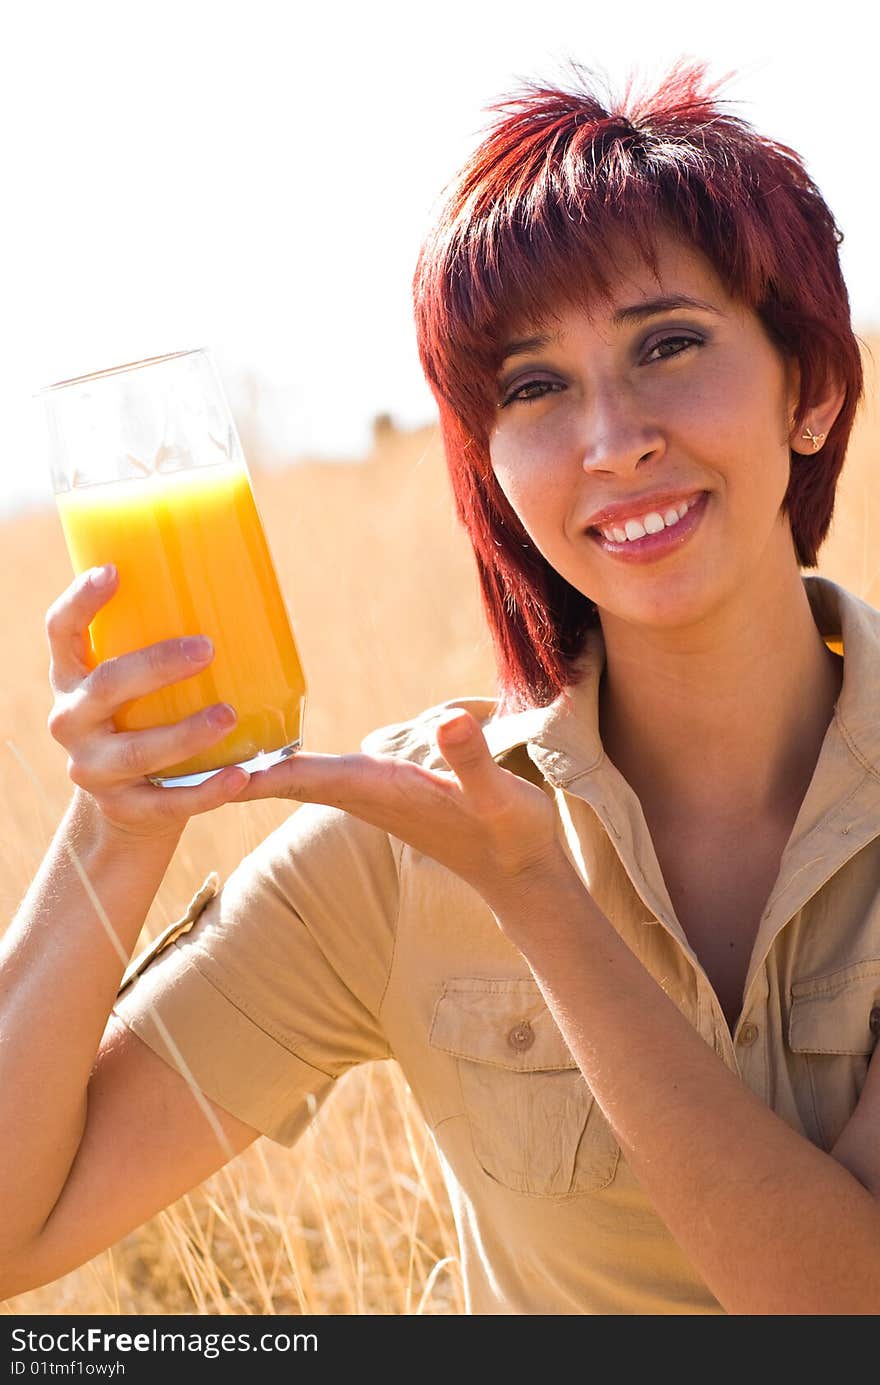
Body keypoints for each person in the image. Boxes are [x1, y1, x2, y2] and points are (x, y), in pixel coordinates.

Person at [2, 60, 879, 1317]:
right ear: (491, 465)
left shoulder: (478, 847)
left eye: (668, 345)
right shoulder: (408, 839)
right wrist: (117, 823)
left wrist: (538, 897)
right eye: (535, 387)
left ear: (813, 387)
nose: (609, 441)